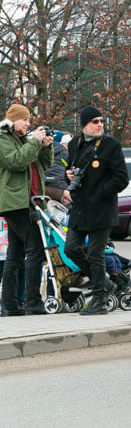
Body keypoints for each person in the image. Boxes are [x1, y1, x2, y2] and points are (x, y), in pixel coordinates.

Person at [64, 106, 129, 315]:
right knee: (71, 248)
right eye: (95, 121)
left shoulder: (111, 145)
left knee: (95, 253)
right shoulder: (75, 144)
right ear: (84, 125)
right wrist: (70, 176)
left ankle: (100, 299)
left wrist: (102, 192)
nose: (100, 124)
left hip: (102, 208)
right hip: (80, 208)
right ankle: (105, 283)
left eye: (101, 121)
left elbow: (121, 178)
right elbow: (73, 169)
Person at [0, 103, 54, 316]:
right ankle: (32, 302)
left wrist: (46, 145)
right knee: (35, 249)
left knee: (15, 254)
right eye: (26, 120)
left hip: (30, 202)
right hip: (15, 203)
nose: (29, 124)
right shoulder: (4, 138)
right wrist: (33, 142)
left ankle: (10, 305)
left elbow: (44, 165)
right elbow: (16, 161)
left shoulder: (24, 140)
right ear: (14, 120)